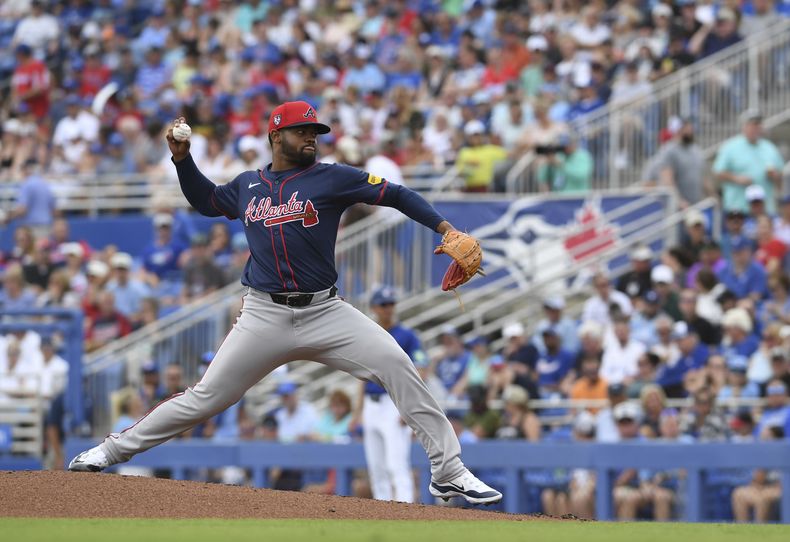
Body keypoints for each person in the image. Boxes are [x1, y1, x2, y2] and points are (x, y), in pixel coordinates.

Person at [68, 102, 501, 505]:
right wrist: (183, 160)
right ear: (277, 136)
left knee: (397, 364)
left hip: (326, 311)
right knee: (205, 397)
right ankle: (109, 451)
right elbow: (205, 201)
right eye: (303, 131)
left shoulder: (332, 177)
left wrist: (445, 228)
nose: (312, 137)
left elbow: (396, 194)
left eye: (315, 131)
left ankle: (448, 470)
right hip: (264, 314)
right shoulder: (247, 185)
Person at [350, 286, 426, 503]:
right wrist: (357, 413)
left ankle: (405, 511)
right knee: (376, 467)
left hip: (394, 402)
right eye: (384, 304)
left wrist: (409, 406)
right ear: (374, 307)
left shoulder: (407, 336)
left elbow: (420, 369)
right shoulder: (369, 334)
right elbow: (362, 374)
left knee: (396, 464)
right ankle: (382, 512)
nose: (388, 308)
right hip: (371, 404)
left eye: (391, 303)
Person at [713, 110, 784, 215]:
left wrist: (775, 176)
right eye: (752, 125)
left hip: (765, 209)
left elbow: (781, 176)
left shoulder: (769, 148)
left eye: (758, 125)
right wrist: (736, 178)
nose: (756, 128)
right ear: (744, 126)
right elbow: (717, 172)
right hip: (738, 209)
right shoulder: (730, 147)